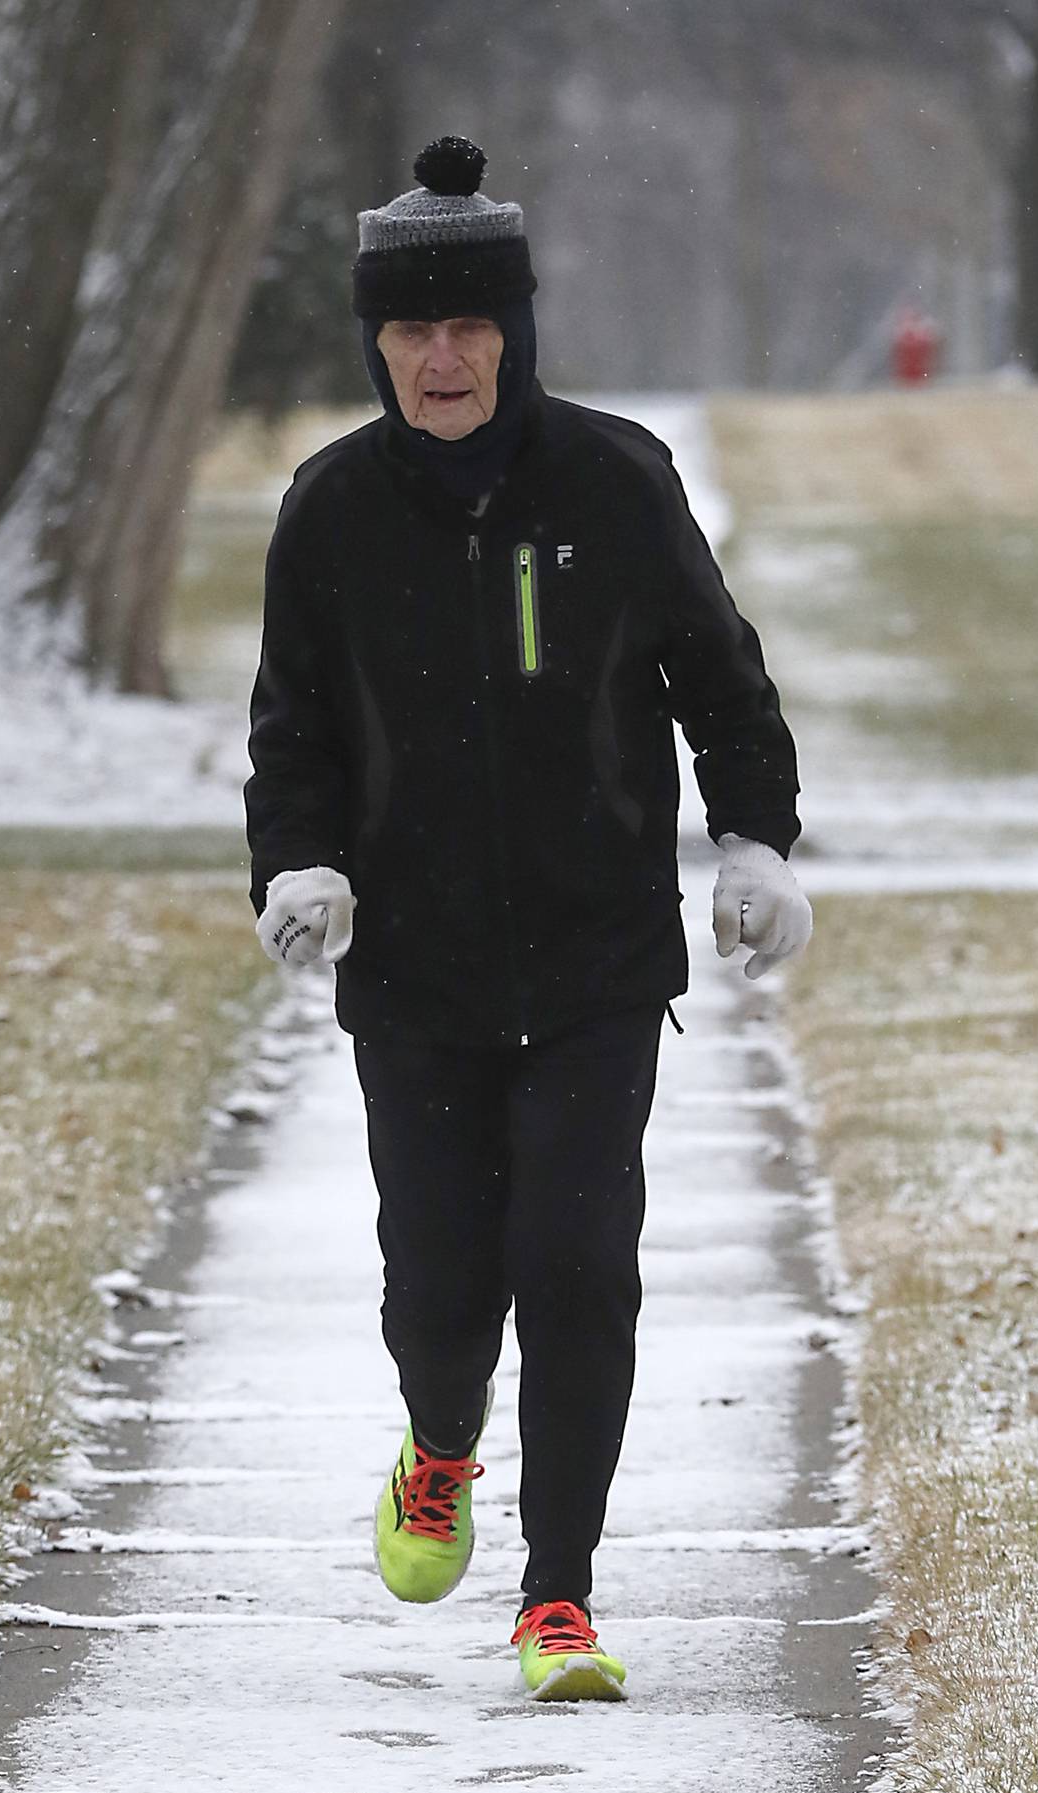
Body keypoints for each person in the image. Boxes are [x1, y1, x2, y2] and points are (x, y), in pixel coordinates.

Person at [244, 135, 812, 1702]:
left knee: (575, 1254)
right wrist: (296, 867)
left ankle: (557, 1594)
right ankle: (440, 1445)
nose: (442, 358)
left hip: (591, 957)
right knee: (439, 1277)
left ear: (518, 331)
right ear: (377, 344)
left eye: (470, 327)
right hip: (413, 968)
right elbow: (291, 728)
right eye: (413, 332)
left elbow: (723, 685)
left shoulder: (615, 483)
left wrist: (755, 844)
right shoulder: (331, 512)